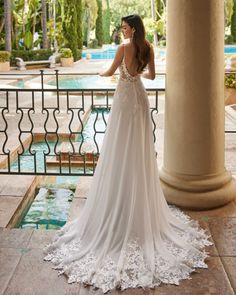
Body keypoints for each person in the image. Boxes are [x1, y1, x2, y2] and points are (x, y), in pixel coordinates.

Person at [43, 14, 213, 293]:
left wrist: (101, 72)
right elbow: (152, 76)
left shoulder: (123, 47)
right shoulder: (148, 47)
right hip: (140, 98)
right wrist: (136, 73)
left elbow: (110, 72)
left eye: (124, 27)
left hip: (123, 100)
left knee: (119, 146)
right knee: (139, 150)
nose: (122, 30)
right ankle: (137, 202)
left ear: (131, 28)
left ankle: (119, 201)